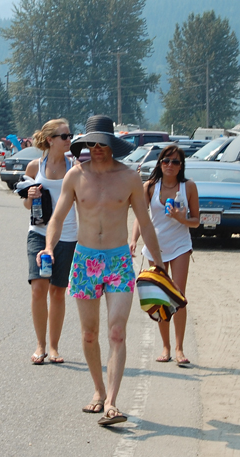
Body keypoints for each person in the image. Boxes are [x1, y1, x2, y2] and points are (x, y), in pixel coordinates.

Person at [37, 115, 164, 426]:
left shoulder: (130, 178)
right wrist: (49, 247)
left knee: (117, 332)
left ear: (111, 145)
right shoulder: (76, 176)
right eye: (90, 143)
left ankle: (112, 402)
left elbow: (145, 223)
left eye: (101, 143)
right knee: (89, 334)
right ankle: (97, 390)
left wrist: (160, 266)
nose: (95, 148)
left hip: (119, 260)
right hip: (84, 261)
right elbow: (56, 217)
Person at [130, 145, 199, 365]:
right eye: (166, 161)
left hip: (179, 246)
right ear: (160, 163)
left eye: (175, 162)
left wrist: (181, 218)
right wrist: (133, 240)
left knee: (178, 297)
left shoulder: (188, 187)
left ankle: (179, 348)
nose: (170, 165)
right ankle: (166, 347)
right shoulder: (150, 187)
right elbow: (141, 217)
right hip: (155, 247)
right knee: (160, 297)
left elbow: (196, 221)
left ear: (181, 166)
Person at [24, 119, 77, 365]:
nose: (69, 140)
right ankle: (40, 345)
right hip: (38, 232)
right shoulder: (35, 167)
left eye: (70, 135)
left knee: (57, 292)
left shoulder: (75, 167)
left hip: (67, 235)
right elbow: (26, 204)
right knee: (38, 289)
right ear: (50, 140)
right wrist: (30, 195)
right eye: (64, 136)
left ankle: (54, 347)